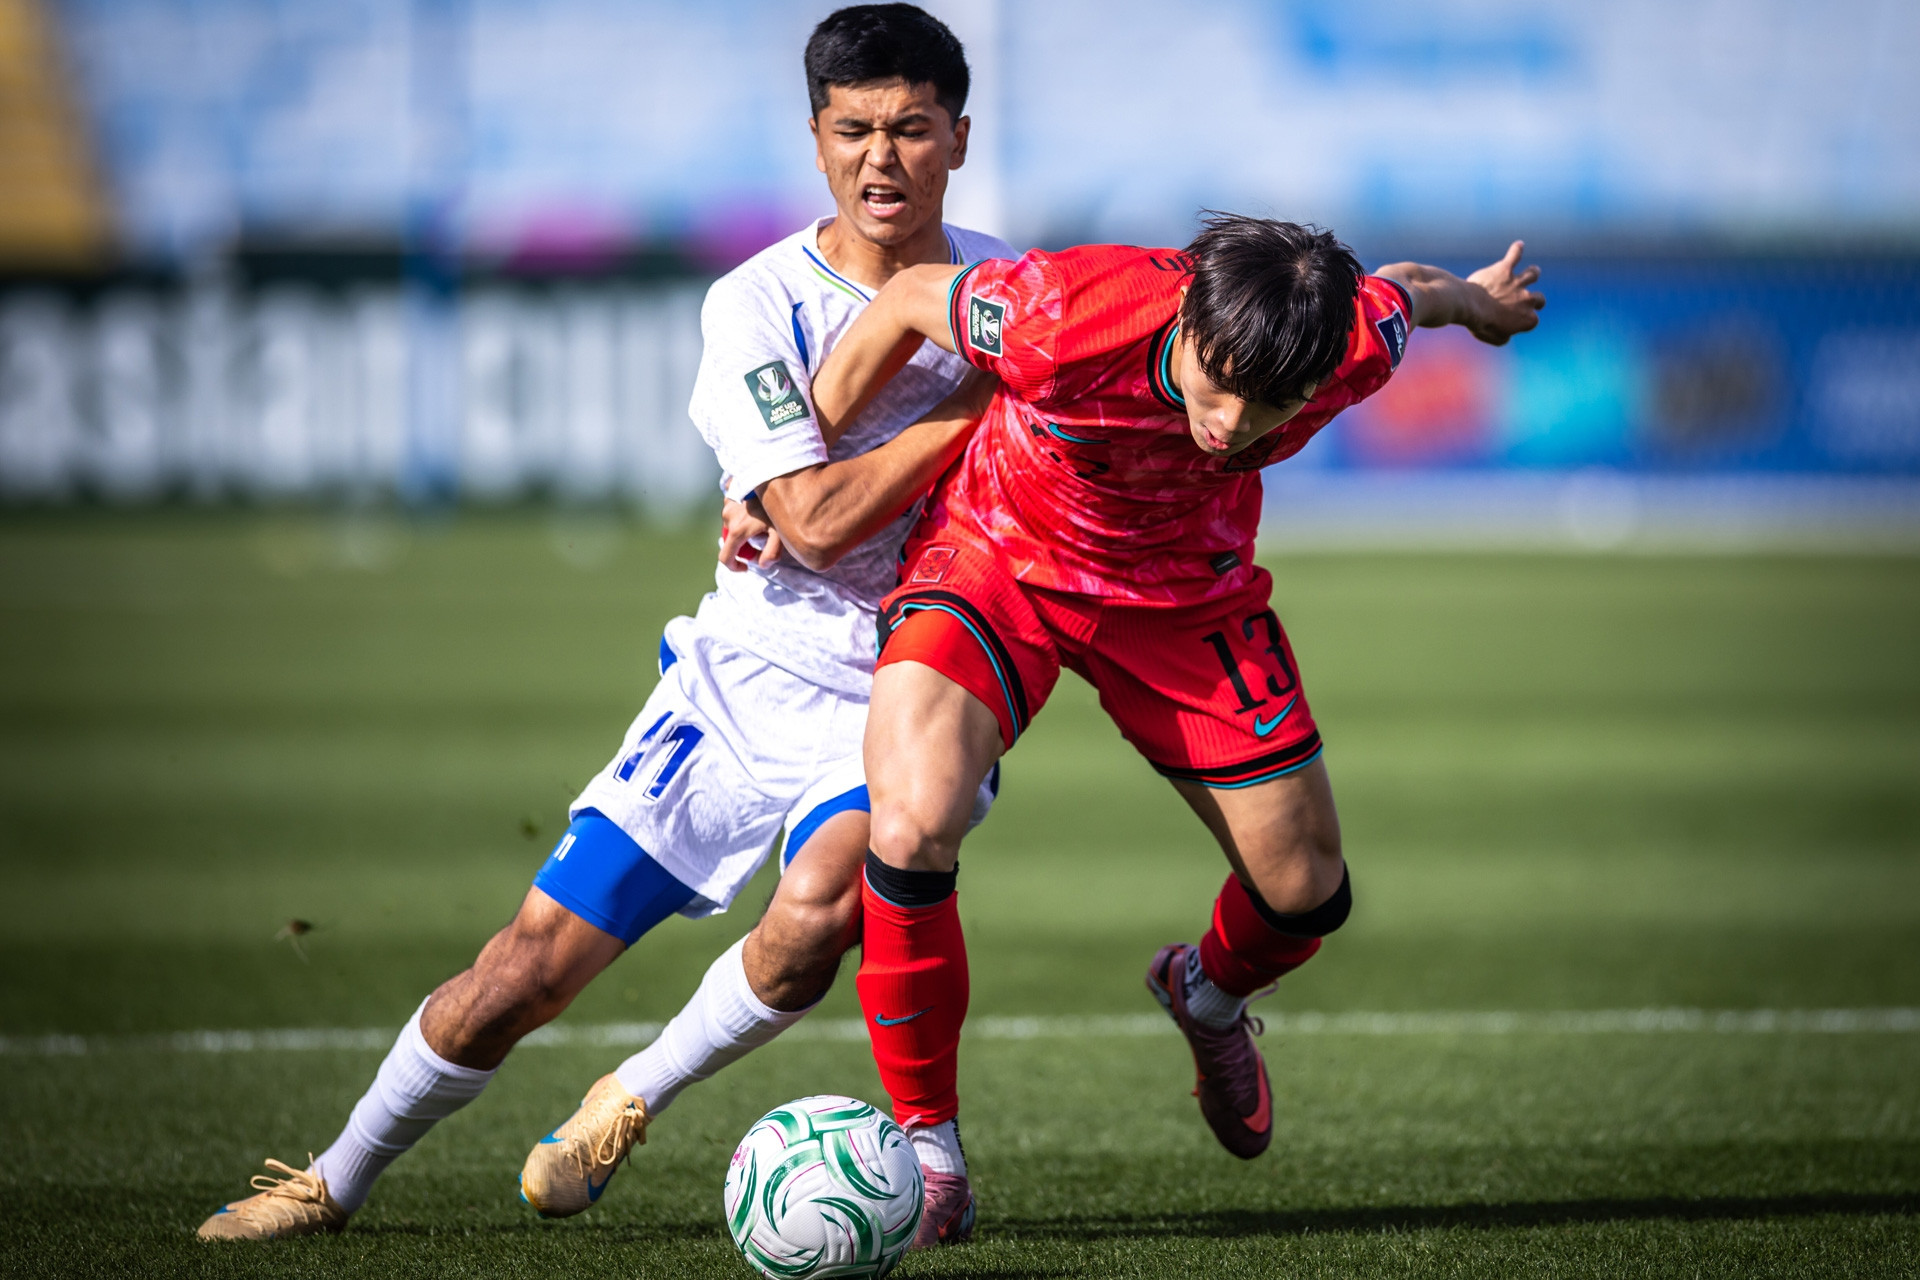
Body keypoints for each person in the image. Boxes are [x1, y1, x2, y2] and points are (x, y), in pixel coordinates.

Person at [197, 4, 1007, 1245]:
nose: (880, 159)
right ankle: (333, 1179)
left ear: (959, 134)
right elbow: (813, 521)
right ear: (815, 137)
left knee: (824, 914)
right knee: (518, 971)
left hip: (913, 686)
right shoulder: (757, 303)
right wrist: (978, 416)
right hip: (742, 679)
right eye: (853, 131)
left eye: (909, 129)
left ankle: (627, 1095)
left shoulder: (1011, 294)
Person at [805, 215, 1544, 1159]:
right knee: (909, 826)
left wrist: (1477, 304)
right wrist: (790, 465)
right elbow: (910, 295)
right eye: (1221, 381)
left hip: (1183, 596)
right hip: (1000, 554)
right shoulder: (1062, 314)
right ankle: (930, 1152)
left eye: (1272, 404)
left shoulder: (1353, 338)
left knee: (1307, 889)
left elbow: (1409, 287)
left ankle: (1207, 995)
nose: (1232, 422)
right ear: (1190, 313)